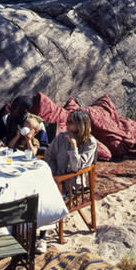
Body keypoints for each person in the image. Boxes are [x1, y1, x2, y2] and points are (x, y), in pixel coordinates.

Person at [40, 109, 98, 254]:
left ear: (80, 125)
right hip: (56, 177)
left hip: (72, 186)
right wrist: (53, 174)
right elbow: (49, 155)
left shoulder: (90, 142)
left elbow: (77, 167)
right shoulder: (61, 137)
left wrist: (73, 147)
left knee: (47, 199)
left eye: (70, 122)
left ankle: (42, 237)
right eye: (67, 121)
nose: (66, 124)